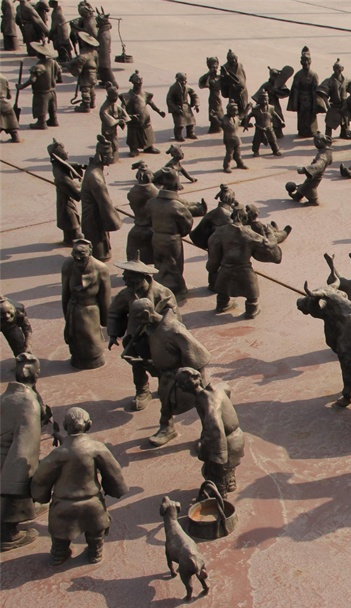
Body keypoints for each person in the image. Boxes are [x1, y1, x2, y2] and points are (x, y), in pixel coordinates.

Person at [31, 407, 128, 565]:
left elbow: (41, 478)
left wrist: (41, 496)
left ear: (65, 425)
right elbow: (114, 471)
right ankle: (95, 552)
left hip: (64, 504)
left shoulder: (58, 454)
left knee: (60, 535)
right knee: (96, 533)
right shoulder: (97, 448)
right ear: (89, 424)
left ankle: (59, 554)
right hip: (92, 503)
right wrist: (115, 489)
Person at [128, 297, 211, 447]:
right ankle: (167, 429)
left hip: (184, 377)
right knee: (166, 404)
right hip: (166, 375)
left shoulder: (174, 330)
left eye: (138, 318)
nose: (137, 322)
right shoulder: (150, 327)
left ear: (146, 314)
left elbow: (199, 355)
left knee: (203, 405)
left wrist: (193, 378)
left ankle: (209, 435)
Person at [107, 259, 178, 412]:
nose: (126, 282)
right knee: (137, 365)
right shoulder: (126, 294)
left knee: (163, 365)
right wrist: (113, 334)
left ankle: (165, 387)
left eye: (130, 279)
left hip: (159, 338)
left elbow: (175, 318)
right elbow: (115, 313)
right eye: (125, 279)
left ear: (143, 277)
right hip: (136, 338)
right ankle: (142, 391)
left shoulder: (163, 293)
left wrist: (157, 319)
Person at [0, 353, 47, 551]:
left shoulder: (7, 395)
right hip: (10, 460)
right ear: (36, 375)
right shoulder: (28, 403)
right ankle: (8, 533)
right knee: (16, 480)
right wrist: (20, 487)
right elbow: (25, 448)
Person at [175, 367, 244, 497]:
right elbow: (227, 388)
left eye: (179, 383)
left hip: (226, 441)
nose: (178, 386)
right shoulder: (217, 387)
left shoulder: (207, 402)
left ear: (185, 386)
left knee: (214, 472)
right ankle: (229, 482)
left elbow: (216, 430)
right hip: (237, 436)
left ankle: (218, 495)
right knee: (228, 467)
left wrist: (218, 457)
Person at [207, 207, 278, 319]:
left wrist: (212, 267)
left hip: (225, 268)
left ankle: (222, 304)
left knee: (222, 290)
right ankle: (251, 310)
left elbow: (213, 249)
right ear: (243, 218)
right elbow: (268, 245)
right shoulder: (249, 233)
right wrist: (270, 233)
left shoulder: (220, 232)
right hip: (244, 270)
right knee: (252, 294)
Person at [61, 238, 111, 370]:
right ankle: (78, 358)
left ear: (90, 252)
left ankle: (95, 358)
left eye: (81, 253)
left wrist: (106, 320)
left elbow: (105, 296)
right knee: (75, 338)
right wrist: (66, 313)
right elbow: (65, 292)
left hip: (91, 310)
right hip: (74, 308)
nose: (77, 257)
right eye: (74, 253)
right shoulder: (68, 265)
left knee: (92, 339)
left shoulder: (101, 268)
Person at [147, 167, 195, 296]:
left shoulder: (152, 203)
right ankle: (179, 289)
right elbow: (187, 225)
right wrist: (179, 233)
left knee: (159, 263)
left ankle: (158, 287)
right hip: (172, 240)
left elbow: (148, 218)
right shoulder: (177, 206)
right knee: (174, 266)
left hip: (157, 237)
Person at [80, 134, 121, 260]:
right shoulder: (95, 178)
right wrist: (114, 221)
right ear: (104, 157)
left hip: (95, 214)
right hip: (94, 217)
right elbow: (105, 203)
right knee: (99, 250)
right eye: (111, 154)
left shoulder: (94, 169)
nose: (112, 157)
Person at [47, 138, 84, 246]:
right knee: (69, 216)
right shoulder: (60, 174)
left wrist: (78, 166)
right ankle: (72, 238)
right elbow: (69, 185)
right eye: (64, 151)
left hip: (65, 198)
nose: (67, 152)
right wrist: (82, 192)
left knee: (69, 215)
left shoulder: (57, 164)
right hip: (65, 199)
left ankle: (70, 237)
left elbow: (67, 165)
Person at [17, 41, 61, 129]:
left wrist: (21, 86)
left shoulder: (38, 67)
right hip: (52, 90)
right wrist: (58, 80)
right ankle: (53, 120)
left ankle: (41, 122)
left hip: (41, 92)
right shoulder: (53, 62)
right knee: (52, 106)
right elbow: (59, 71)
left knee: (41, 107)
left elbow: (32, 80)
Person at [122, 70, 166, 157]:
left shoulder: (144, 94)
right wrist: (128, 116)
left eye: (140, 84)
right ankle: (133, 149)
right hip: (133, 120)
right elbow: (122, 109)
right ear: (133, 83)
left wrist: (159, 111)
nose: (139, 85)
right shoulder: (127, 96)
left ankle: (149, 147)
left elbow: (151, 103)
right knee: (133, 134)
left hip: (145, 119)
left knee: (147, 133)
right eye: (137, 84)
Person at [286, 132, 333, 206]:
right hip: (316, 173)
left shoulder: (323, 155)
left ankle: (313, 201)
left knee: (310, 186)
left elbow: (318, 165)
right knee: (306, 184)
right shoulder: (327, 151)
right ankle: (297, 196)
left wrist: (305, 169)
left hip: (317, 174)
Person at [287, 46, 320, 138]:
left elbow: (315, 91)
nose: (306, 63)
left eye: (307, 61)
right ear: (301, 62)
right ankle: (302, 130)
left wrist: (315, 104)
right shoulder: (298, 75)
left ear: (310, 62)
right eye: (304, 61)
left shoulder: (313, 75)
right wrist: (295, 103)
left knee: (311, 116)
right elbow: (295, 89)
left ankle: (312, 130)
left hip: (310, 99)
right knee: (302, 116)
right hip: (301, 99)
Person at [254, 65, 290, 139]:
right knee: (264, 119)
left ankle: (278, 132)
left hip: (275, 103)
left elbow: (286, 93)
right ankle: (264, 134)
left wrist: (276, 90)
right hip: (265, 104)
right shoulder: (266, 85)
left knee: (278, 116)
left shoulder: (278, 84)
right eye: (273, 76)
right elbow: (258, 96)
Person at [65, 31, 98, 112]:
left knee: (85, 89)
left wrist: (69, 65)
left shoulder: (83, 55)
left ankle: (86, 105)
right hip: (94, 74)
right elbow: (97, 63)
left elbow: (78, 67)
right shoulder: (94, 52)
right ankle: (92, 102)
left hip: (86, 74)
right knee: (91, 88)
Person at [243, 92, 281, 157]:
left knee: (273, 139)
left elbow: (275, 115)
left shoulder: (271, 108)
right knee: (256, 141)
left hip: (269, 127)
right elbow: (249, 116)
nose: (264, 101)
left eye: (266, 100)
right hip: (259, 128)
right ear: (259, 100)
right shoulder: (255, 109)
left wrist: (280, 121)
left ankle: (275, 150)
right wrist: (246, 125)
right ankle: (255, 151)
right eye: (262, 100)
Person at [166, 72, 198, 142]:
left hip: (186, 106)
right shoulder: (173, 88)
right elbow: (169, 99)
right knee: (179, 123)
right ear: (177, 80)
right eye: (181, 80)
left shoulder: (187, 87)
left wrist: (196, 104)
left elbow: (194, 94)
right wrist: (175, 108)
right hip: (178, 107)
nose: (183, 82)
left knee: (191, 121)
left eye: (185, 80)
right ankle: (178, 135)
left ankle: (190, 133)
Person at [215, 102, 247, 173]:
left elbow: (242, 116)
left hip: (237, 139)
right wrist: (215, 117)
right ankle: (226, 166)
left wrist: (247, 109)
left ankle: (240, 164)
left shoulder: (236, 117)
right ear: (229, 111)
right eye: (233, 111)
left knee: (238, 154)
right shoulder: (225, 119)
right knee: (229, 154)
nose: (235, 112)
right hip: (229, 140)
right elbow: (220, 124)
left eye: (236, 111)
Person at [317, 58, 346, 139]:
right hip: (334, 106)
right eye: (335, 68)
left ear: (342, 69)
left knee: (345, 122)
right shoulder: (329, 81)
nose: (337, 70)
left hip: (344, 106)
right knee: (329, 123)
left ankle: (344, 133)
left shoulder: (345, 80)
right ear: (333, 69)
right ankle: (328, 136)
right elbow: (322, 91)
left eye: (339, 68)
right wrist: (326, 102)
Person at [98, 84, 126, 161]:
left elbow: (121, 112)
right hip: (108, 130)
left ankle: (113, 156)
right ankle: (108, 157)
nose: (116, 98)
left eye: (117, 96)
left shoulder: (114, 104)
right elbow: (108, 119)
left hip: (114, 129)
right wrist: (118, 121)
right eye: (114, 96)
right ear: (109, 96)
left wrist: (127, 118)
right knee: (109, 143)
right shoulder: (104, 108)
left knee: (115, 142)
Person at [219, 49, 248, 118]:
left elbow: (244, 76)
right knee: (234, 107)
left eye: (235, 58)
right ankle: (234, 120)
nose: (234, 60)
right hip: (233, 92)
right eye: (232, 59)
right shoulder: (225, 68)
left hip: (243, 91)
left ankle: (244, 120)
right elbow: (223, 81)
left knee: (244, 106)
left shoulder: (240, 65)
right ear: (228, 59)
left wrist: (242, 85)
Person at [198, 56, 223, 134]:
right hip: (213, 97)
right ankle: (215, 126)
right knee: (214, 109)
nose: (215, 67)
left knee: (219, 110)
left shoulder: (218, 76)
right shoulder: (208, 76)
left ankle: (219, 124)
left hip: (218, 96)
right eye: (212, 65)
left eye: (216, 64)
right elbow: (201, 84)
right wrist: (208, 73)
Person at [0, 72, 19, 142]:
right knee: (11, 123)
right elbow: (9, 96)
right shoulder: (3, 78)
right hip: (6, 104)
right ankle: (15, 137)